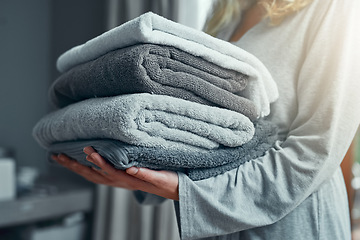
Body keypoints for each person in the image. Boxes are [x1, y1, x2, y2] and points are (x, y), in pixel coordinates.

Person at [52, 0, 360, 239]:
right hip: (217, 226)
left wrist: (183, 191)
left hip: (293, 223)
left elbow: (316, 150)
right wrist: (135, 169)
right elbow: (197, 129)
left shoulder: (333, 8)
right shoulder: (227, 14)